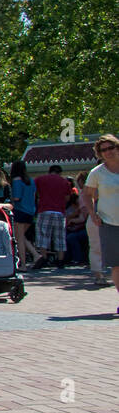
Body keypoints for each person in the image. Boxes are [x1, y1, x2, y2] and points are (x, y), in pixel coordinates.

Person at [84, 134, 119, 315]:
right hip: (109, 221)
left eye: (110, 148)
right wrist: (93, 213)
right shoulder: (97, 172)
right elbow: (86, 194)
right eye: (103, 150)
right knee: (116, 264)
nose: (108, 152)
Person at [32, 164, 72, 270]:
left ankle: (44, 258)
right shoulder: (65, 182)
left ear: (49, 171)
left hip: (44, 209)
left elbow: (34, 192)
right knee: (60, 237)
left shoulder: (40, 179)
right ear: (60, 172)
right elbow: (67, 198)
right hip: (59, 211)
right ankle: (60, 260)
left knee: (43, 235)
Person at [76, 169, 107, 286]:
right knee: (96, 246)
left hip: (102, 217)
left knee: (96, 246)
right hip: (96, 216)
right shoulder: (91, 186)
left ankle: (100, 275)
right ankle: (99, 275)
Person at [9, 159, 41, 267]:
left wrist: (10, 199)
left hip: (20, 210)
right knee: (21, 236)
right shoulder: (31, 181)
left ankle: (23, 263)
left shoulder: (16, 180)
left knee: (20, 238)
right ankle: (35, 255)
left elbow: (17, 197)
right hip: (30, 211)